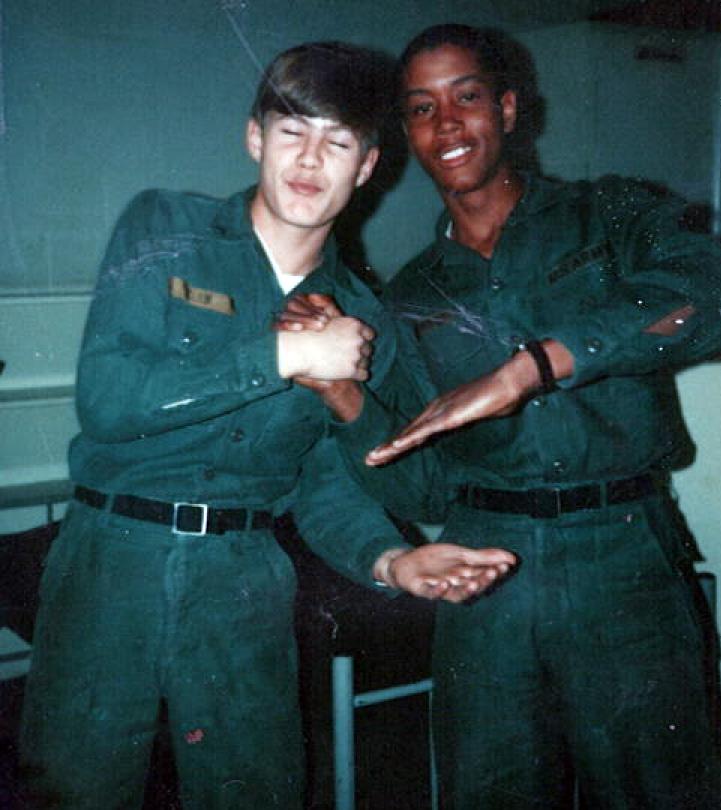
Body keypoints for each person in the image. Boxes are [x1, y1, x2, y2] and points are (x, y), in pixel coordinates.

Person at [17, 40, 517, 810]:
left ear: (366, 167)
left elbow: (323, 483)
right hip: (112, 562)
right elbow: (109, 400)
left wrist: (391, 560)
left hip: (242, 579)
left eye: (337, 142)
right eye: (292, 131)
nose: (310, 159)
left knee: (252, 791)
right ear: (255, 138)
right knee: (76, 790)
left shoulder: (361, 318)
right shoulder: (165, 228)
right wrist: (282, 354)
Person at [278, 24, 721, 809]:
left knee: (657, 789)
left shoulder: (609, 213)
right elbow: (420, 491)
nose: (446, 123)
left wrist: (533, 366)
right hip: (484, 569)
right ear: (406, 133)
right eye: (421, 108)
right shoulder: (409, 296)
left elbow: (706, 295)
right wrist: (340, 392)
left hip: (621, 555)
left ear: (509, 108)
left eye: (466, 97)